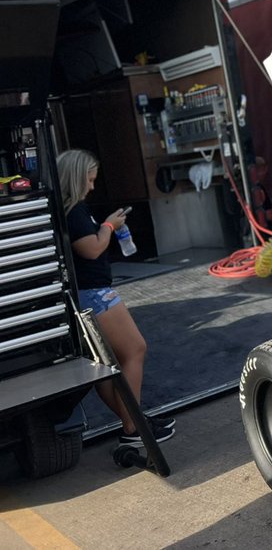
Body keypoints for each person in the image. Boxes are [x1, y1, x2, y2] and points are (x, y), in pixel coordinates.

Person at [58, 149, 175, 448]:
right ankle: (133, 429)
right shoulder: (75, 212)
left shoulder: (70, 211)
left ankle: (134, 422)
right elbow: (92, 249)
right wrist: (110, 225)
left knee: (106, 367)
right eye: (89, 180)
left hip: (87, 293)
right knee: (135, 349)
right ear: (75, 178)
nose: (92, 186)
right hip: (95, 293)